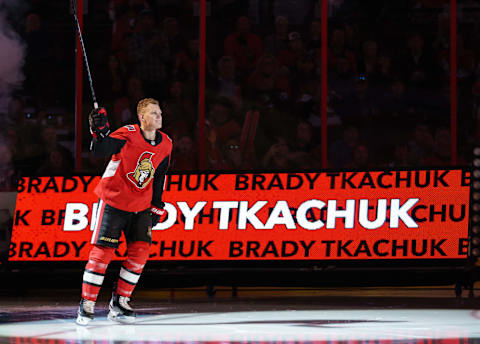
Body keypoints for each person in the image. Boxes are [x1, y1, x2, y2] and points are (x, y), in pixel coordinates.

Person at [76, 98, 172, 326]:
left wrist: (157, 205)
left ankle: (120, 302)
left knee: (140, 252)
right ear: (142, 118)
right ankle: (87, 303)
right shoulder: (128, 133)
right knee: (102, 253)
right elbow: (101, 148)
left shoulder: (167, 143)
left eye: (160, 112)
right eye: (154, 113)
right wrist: (99, 131)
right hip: (114, 201)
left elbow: (159, 175)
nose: (159, 116)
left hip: (141, 206)